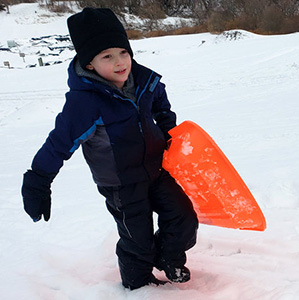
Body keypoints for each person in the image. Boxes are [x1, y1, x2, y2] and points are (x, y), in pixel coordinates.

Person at [21, 7, 198, 290]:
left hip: (156, 169)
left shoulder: (142, 79)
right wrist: (38, 181)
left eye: (123, 52)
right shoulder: (85, 104)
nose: (120, 63)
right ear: (89, 63)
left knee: (184, 218)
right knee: (136, 240)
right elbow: (59, 142)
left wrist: (167, 128)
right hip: (120, 184)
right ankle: (138, 287)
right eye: (107, 56)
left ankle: (169, 257)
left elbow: (160, 100)